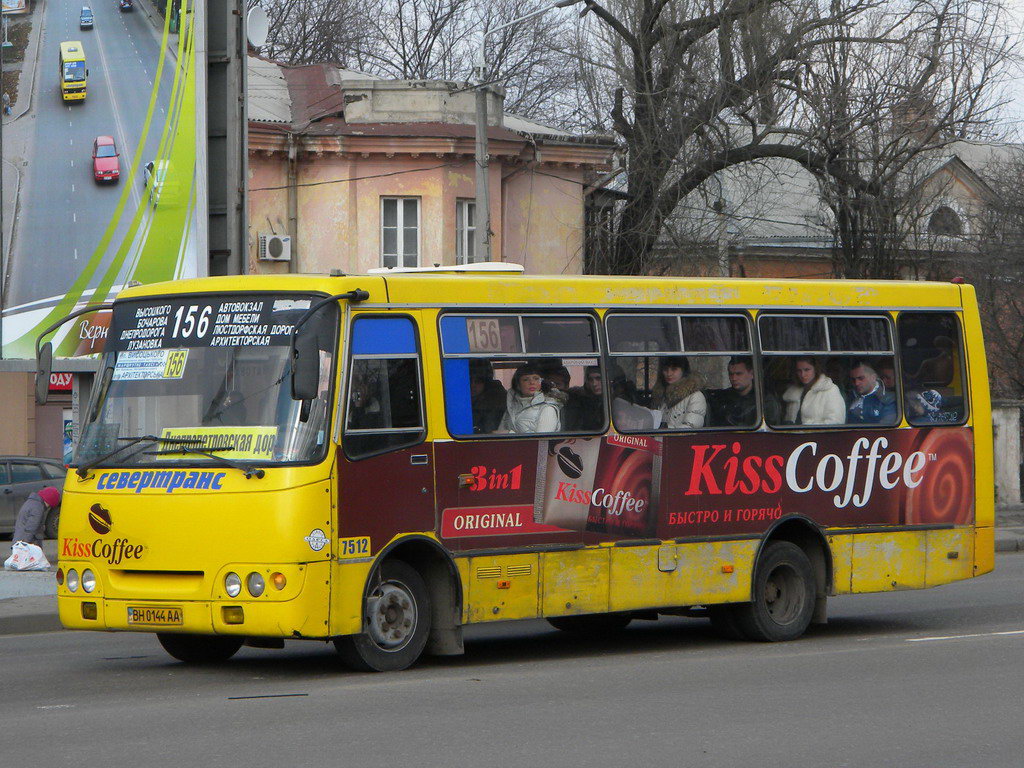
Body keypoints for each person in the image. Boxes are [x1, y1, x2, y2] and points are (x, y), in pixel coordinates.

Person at [500, 363, 565, 434]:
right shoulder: (512, 407)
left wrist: (510, 433)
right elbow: (501, 431)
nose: (532, 382)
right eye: (526, 379)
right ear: (518, 385)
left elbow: (542, 439)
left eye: (536, 379)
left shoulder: (547, 408)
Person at [781, 356, 845, 425]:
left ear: (816, 369)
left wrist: (807, 427)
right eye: (799, 371)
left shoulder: (829, 390)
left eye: (807, 370)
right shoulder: (793, 393)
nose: (803, 375)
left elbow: (836, 422)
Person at [651, 356, 706, 429]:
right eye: (665, 369)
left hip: (682, 440)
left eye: (674, 369)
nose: (669, 373)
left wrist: (666, 429)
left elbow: (692, 427)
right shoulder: (661, 395)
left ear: (683, 370)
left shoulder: (695, 396)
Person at [708, 356, 758, 428]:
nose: (734, 378)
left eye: (739, 374)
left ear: (752, 374)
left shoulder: (762, 400)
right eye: (731, 374)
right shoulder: (723, 397)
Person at [469, 360, 506, 434]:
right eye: (469, 381)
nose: (473, 385)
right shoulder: (457, 401)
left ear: (486, 383)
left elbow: (488, 430)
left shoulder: (493, 403)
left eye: (478, 381)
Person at [564, 365, 605, 431]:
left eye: (598, 378)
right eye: (590, 380)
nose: (594, 384)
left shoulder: (613, 398)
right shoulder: (579, 397)